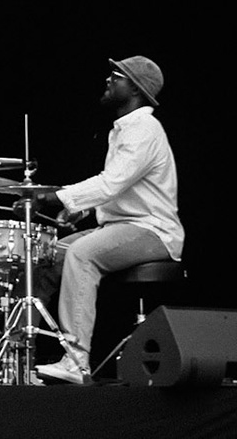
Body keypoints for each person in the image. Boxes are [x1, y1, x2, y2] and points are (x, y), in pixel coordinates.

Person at [32, 56, 182, 385]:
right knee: (49, 253)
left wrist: (57, 197)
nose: (108, 80)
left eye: (117, 77)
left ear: (136, 90)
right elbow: (119, 185)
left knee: (81, 254)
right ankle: (20, 354)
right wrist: (78, 209)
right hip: (122, 226)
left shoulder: (144, 129)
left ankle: (76, 360)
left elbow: (111, 183)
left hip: (153, 231)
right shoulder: (125, 128)